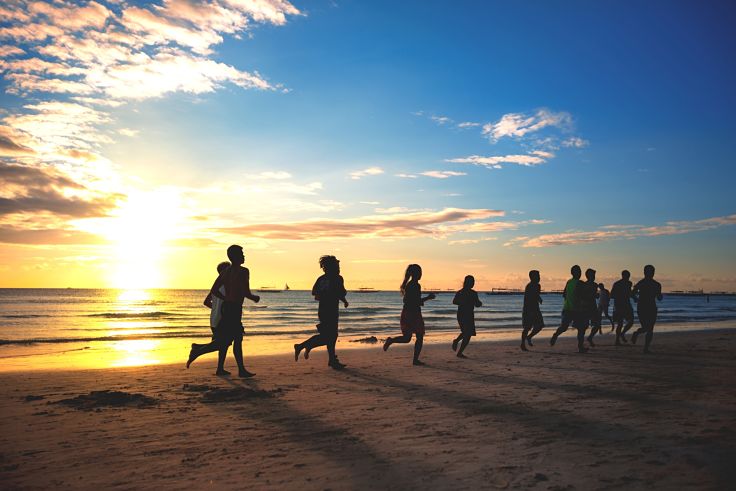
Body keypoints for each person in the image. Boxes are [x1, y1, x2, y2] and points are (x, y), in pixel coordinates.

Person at [186, 245, 260, 377]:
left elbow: (214, 290)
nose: (244, 256)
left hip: (228, 309)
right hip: (234, 310)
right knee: (226, 342)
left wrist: (225, 298)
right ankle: (197, 350)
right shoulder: (243, 271)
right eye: (242, 254)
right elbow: (244, 291)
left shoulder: (226, 272)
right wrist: (254, 297)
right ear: (235, 256)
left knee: (235, 339)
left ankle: (241, 370)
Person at [294, 255, 349, 370]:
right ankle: (302, 346)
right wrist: (343, 297)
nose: (339, 268)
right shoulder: (337, 278)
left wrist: (340, 299)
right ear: (331, 267)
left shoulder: (321, 279)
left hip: (322, 310)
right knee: (329, 336)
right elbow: (341, 292)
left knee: (330, 336)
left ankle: (332, 360)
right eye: (337, 266)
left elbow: (314, 292)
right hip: (331, 311)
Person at [383, 264, 436, 365]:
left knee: (408, 338)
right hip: (413, 313)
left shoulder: (410, 285)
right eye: (419, 272)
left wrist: (422, 300)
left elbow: (409, 300)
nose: (421, 274)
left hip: (408, 312)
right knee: (419, 337)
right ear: (414, 274)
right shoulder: (414, 285)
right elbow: (413, 301)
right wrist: (428, 298)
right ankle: (415, 360)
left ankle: (391, 341)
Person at [550, 265, 587, 352]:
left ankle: (555, 335)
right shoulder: (580, 283)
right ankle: (580, 347)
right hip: (577, 310)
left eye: (580, 271)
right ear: (576, 273)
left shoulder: (569, 282)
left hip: (567, 308)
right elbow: (583, 296)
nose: (580, 273)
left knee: (563, 327)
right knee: (581, 329)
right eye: (579, 271)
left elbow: (564, 294)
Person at [631, 265, 663, 353]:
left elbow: (632, 293)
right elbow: (659, 298)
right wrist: (635, 298)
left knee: (649, 328)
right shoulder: (655, 284)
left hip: (645, 307)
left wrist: (635, 298)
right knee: (648, 328)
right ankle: (637, 334)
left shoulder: (643, 283)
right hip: (647, 307)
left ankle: (645, 348)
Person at [451, 275, 482, 358]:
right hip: (462, 314)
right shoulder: (460, 292)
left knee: (468, 334)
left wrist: (479, 304)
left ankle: (459, 351)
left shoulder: (474, 293)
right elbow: (454, 301)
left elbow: (477, 303)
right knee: (466, 332)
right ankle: (456, 342)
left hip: (469, 314)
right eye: (472, 282)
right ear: (467, 283)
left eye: (473, 282)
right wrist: (464, 302)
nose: (473, 284)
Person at [203, 261, 230, 337]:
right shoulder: (228, 286)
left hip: (214, 320)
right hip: (223, 320)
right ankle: (198, 348)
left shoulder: (216, 287)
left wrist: (216, 308)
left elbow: (206, 302)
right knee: (222, 344)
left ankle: (198, 348)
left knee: (220, 344)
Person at [521, 270, 544, 351]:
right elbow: (528, 299)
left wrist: (539, 298)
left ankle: (529, 337)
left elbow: (536, 295)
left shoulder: (538, 286)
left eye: (539, 276)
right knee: (527, 327)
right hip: (528, 309)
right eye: (537, 276)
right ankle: (523, 344)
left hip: (536, 309)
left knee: (540, 325)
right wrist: (529, 311)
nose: (539, 278)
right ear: (532, 277)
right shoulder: (529, 286)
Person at [611, 270, 634, 345]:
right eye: (627, 276)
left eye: (628, 276)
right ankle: (617, 340)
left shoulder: (629, 283)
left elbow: (629, 293)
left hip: (626, 304)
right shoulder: (617, 284)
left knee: (631, 321)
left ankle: (622, 333)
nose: (627, 277)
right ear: (623, 276)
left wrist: (634, 297)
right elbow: (612, 295)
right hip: (619, 305)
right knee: (620, 323)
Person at [577, 269, 598, 348]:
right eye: (593, 275)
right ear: (588, 276)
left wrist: (595, 295)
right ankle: (581, 345)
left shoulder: (595, 285)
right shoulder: (584, 285)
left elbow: (592, 295)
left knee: (597, 325)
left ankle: (589, 338)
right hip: (585, 308)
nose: (594, 277)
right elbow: (582, 296)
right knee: (583, 327)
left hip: (592, 307)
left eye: (594, 275)